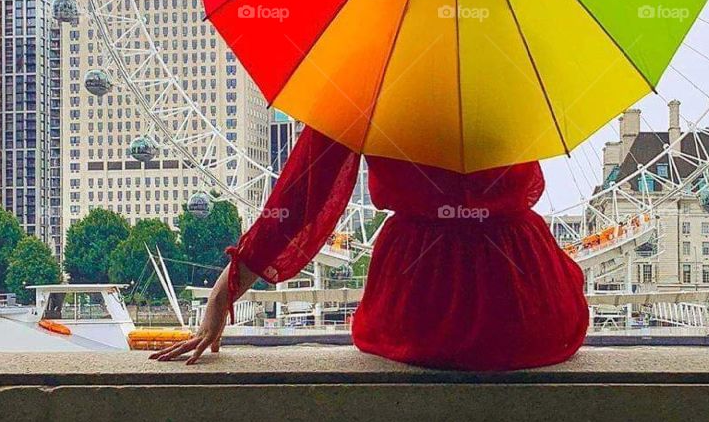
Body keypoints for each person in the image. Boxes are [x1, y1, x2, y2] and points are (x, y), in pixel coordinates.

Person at [152, 126, 589, 370]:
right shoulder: (512, 59)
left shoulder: (368, 75)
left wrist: (222, 296)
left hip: (418, 305)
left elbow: (298, 202)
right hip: (528, 301)